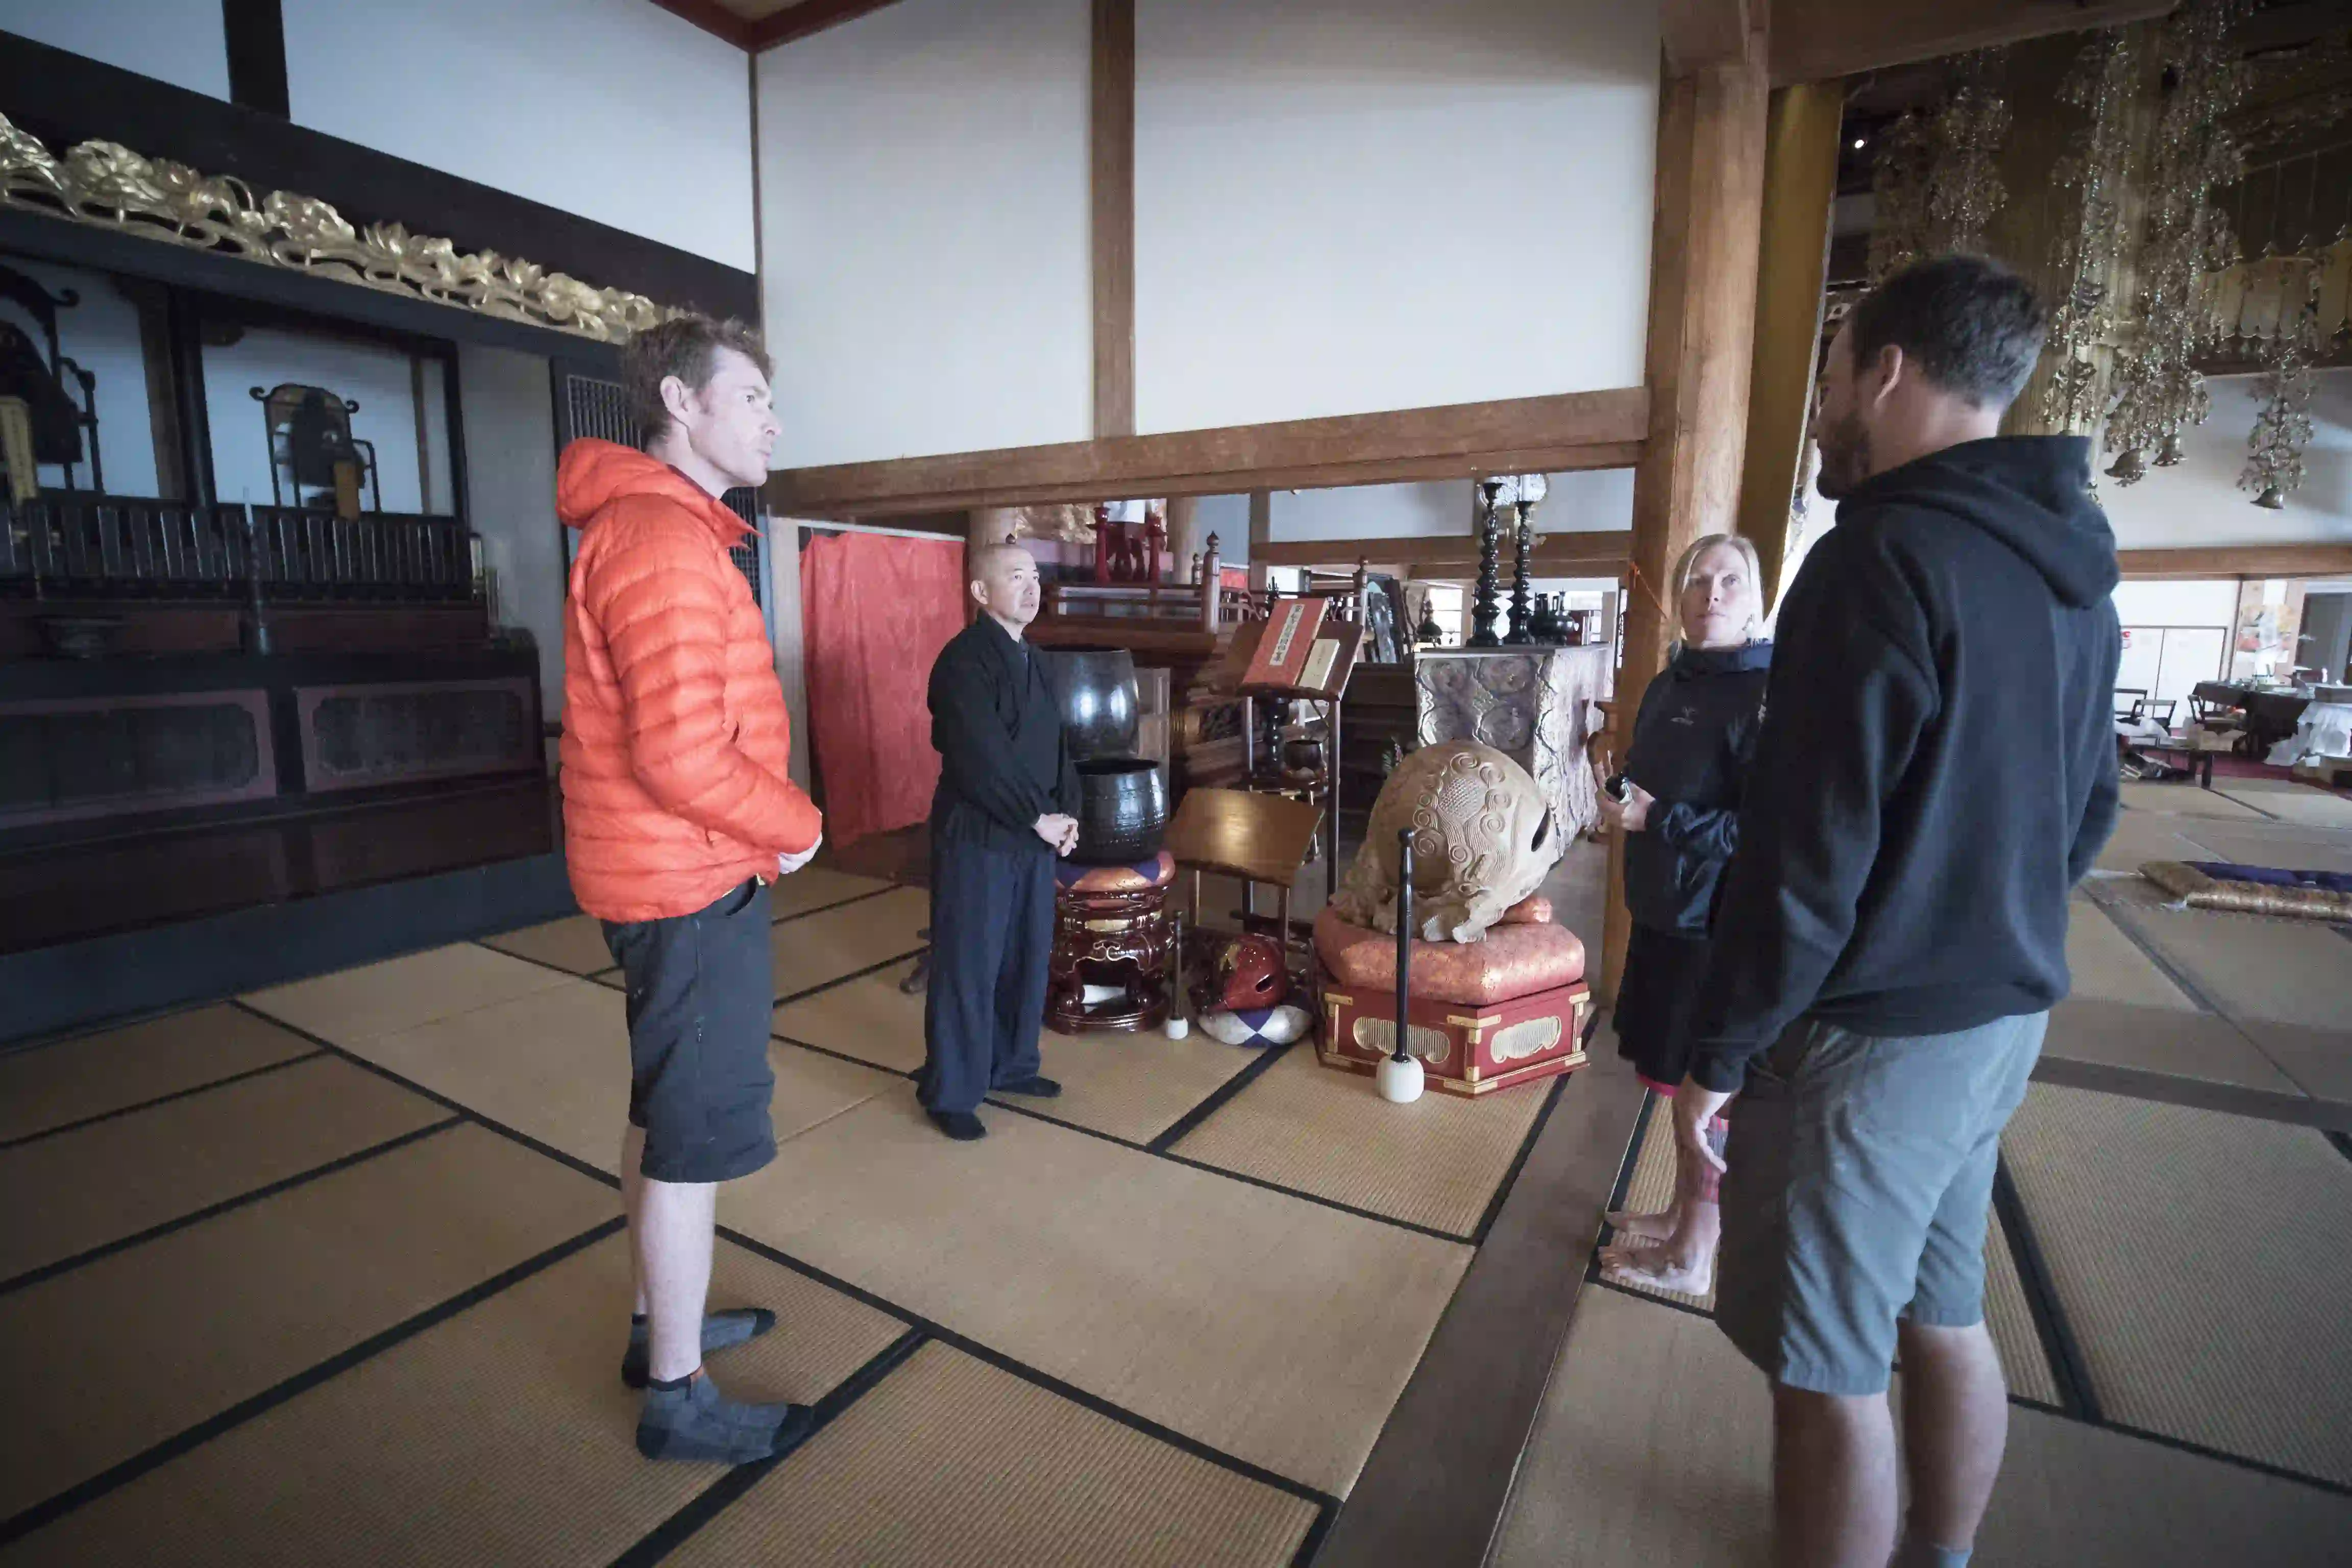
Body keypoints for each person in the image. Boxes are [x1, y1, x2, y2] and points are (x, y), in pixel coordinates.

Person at [1674, 255, 2119, 1568]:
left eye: (1828, 374)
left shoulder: (1875, 559)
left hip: (1872, 1036)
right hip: (2000, 1017)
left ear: (1883, 371)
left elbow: (1807, 854)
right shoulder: (2071, 567)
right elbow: (2091, 808)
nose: (1822, 408)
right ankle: (1940, 1553)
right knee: (1941, 1308)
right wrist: (1991, 916)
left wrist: (1720, 1049)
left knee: (1826, 1366)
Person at [557, 313, 824, 1464]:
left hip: (667, 871)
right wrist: (798, 824)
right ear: (680, 401)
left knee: (663, 1108)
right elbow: (677, 756)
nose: (772, 420)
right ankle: (677, 1393)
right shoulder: (661, 539)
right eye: (751, 396)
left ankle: (652, 1324)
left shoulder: (657, 527)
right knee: (691, 1135)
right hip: (686, 881)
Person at [1594, 532, 1771, 1297]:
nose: (1712, 595)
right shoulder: (1672, 682)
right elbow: (1656, 780)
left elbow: (1767, 830)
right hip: (1662, 907)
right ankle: (1678, 1214)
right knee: (1672, 1077)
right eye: (1698, 580)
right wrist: (1622, 795)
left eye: (1730, 581)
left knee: (1710, 1090)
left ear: (1756, 599)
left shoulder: (1764, 693)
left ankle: (1694, 1252)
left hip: (1718, 922)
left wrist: (1657, 819)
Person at [919, 542, 1080, 1141]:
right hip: (979, 836)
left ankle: (1012, 1065)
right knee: (969, 964)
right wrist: (1035, 817)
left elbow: (1059, 746)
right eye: (1016, 577)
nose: (1031, 587)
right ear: (981, 592)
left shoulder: (1036, 661)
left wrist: (1066, 815)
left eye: (1035, 576)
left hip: (1033, 837)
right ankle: (952, 1091)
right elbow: (977, 753)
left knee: (1025, 956)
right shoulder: (963, 662)